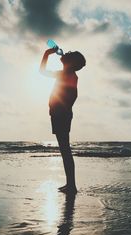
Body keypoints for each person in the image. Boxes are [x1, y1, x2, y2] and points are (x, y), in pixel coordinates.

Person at [40, 48, 86, 194]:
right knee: (64, 150)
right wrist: (46, 54)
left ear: (71, 63)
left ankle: (71, 185)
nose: (65, 53)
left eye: (69, 54)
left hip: (61, 115)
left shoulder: (69, 75)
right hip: (60, 114)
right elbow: (42, 72)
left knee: (65, 150)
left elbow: (73, 95)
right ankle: (70, 184)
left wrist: (62, 109)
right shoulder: (65, 74)